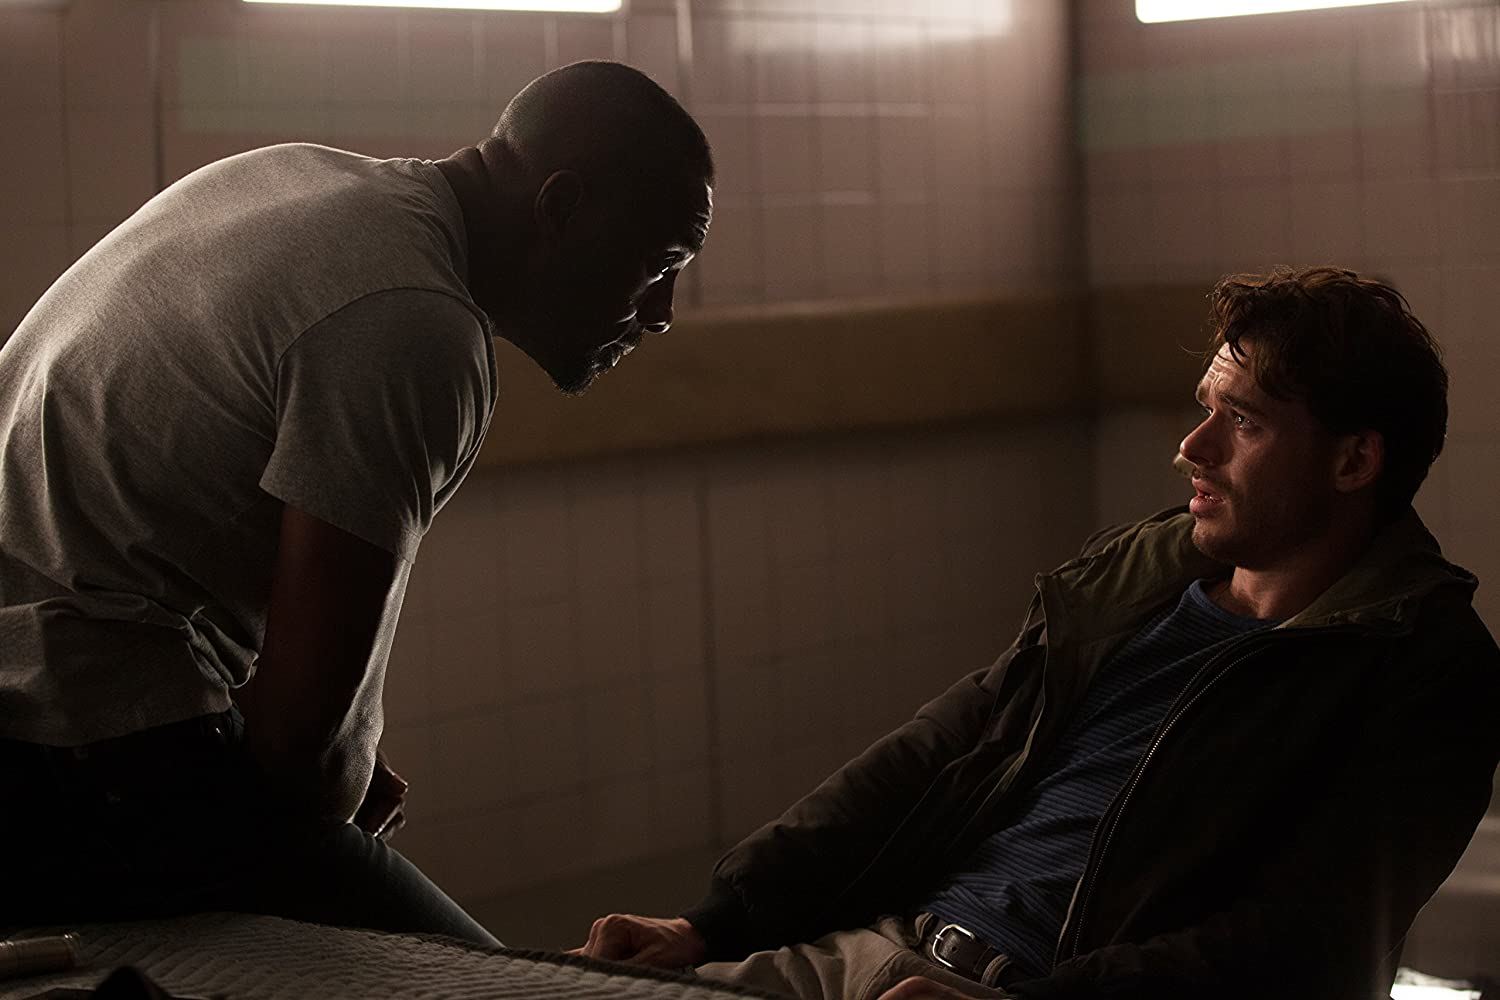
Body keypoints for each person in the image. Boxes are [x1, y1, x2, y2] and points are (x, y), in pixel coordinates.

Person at [579, 267, 1500, 1000]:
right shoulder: (1133, 589)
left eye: (1244, 422)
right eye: (1206, 408)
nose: (1193, 447)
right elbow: (930, 755)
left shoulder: (1420, 669)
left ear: (1354, 460)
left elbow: (1306, 942)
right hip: (881, 954)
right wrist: (711, 923)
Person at [0, 60, 713, 943]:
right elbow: (301, 753)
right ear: (561, 206)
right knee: (509, 983)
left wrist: (333, 753)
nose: (662, 312)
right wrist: (333, 769)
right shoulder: (415, 326)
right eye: (658, 263)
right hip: (75, 753)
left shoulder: (292, 174)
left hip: (39, 707)